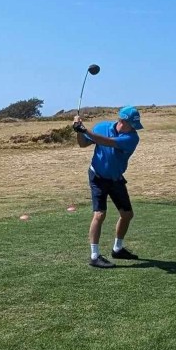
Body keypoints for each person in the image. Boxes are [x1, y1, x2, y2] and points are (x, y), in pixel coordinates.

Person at [73, 106, 143, 268]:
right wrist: (78, 131)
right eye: (132, 125)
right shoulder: (102, 127)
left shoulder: (132, 138)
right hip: (97, 176)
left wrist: (84, 129)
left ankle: (117, 249)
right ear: (121, 121)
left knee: (127, 215)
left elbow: (108, 142)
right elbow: (83, 144)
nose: (134, 128)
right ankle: (94, 256)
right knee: (99, 214)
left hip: (116, 178)